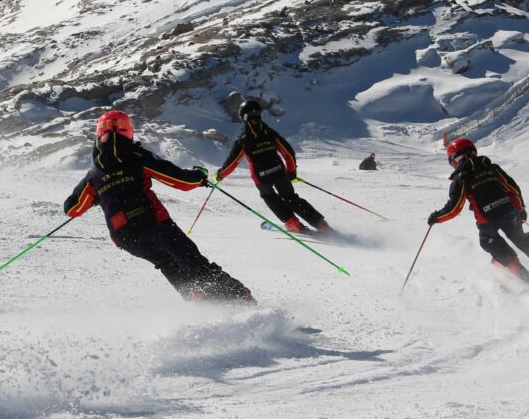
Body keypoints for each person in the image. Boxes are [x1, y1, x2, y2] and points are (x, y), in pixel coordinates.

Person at [64, 110, 256, 304]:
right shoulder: (137, 156)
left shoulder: (93, 174)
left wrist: (97, 196)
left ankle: (200, 301)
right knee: (192, 261)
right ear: (128, 131)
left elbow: (72, 209)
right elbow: (180, 181)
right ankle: (240, 299)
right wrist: (198, 177)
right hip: (154, 223)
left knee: (166, 262)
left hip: (125, 236)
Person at [427, 138, 529, 281]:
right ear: (474, 151)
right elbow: (513, 190)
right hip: (509, 212)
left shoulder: (461, 178)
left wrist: (436, 217)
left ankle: (517, 270)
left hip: (487, 220)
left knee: (488, 240)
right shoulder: (493, 168)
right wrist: (520, 210)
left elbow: (454, 208)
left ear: (454, 160)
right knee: (520, 237)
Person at [215, 100, 332, 234]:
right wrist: (291, 172)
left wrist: (220, 175)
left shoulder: (243, 138)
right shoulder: (269, 133)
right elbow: (288, 152)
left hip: (261, 177)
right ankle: (320, 224)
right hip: (279, 172)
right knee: (291, 198)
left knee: (270, 197)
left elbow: (232, 161)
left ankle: (293, 223)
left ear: (243, 117)